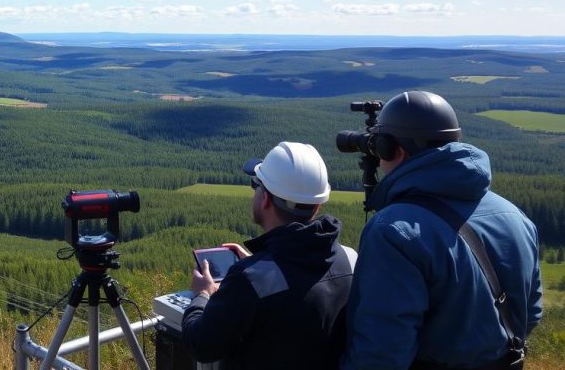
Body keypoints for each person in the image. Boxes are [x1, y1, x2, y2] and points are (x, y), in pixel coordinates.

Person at [342, 91, 543, 370]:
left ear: (392, 149)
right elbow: (530, 313)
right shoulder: (515, 216)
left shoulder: (393, 230)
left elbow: (382, 351)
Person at [183, 141, 355, 369]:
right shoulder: (350, 258)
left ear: (265, 198)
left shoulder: (249, 280)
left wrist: (202, 295)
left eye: (256, 185)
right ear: (317, 206)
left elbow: (201, 344)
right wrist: (259, 263)